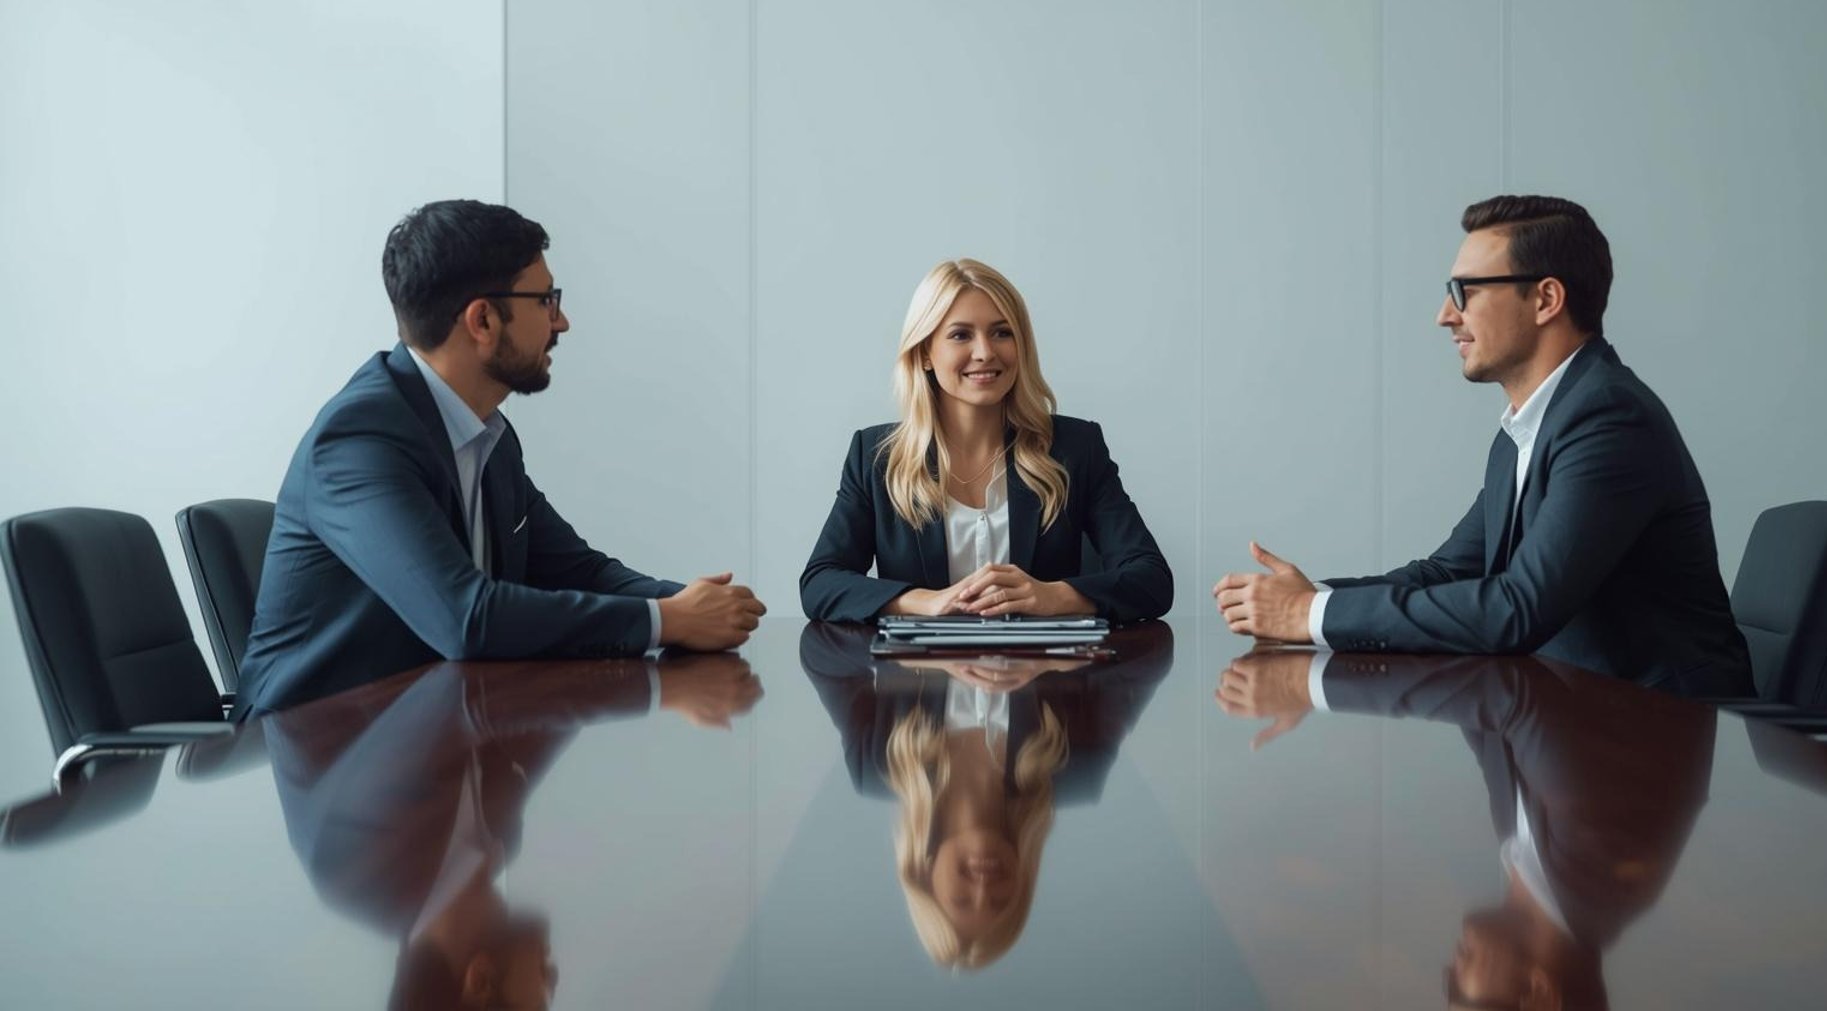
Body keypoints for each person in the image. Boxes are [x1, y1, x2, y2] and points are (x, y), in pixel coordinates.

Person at [237, 200, 764, 716]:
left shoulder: (489, 433)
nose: (562, 324)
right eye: (546, 301)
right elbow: (465, 617)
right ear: (483, 320)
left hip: (428, 733)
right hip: (314, 753)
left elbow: (575, 570)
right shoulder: (359, 441)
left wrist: (694, 605)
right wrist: (666, 620)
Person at [1213, 195, 1751, 698]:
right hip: (1571, 721)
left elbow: (1517, 607)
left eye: (1464, 292)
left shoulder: (1609, 419)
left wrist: (1308, 616)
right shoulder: (1526, 428)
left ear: (1545, 299)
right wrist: (1315, 599)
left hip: (1655, 738)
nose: (1445, 315)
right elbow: (1449, 572)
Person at [1215, 647, 1715, 1011]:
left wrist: (1314, 662)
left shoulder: (1535, 874)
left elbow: (1485, 691)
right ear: (1538, 996)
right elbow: (1506, 695)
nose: (1446, 974)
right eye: (1460, 993)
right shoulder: (1597, 866)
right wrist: (1311, 685)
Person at [265, 654, 761, 1009]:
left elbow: (453, 687)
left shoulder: (363, 859)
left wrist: (656, 668)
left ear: (480, 981)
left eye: (542, 993)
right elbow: (552, 712)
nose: (554, 974)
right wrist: (659, 685)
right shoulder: (493, 845)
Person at [800, 258, 1173, 624]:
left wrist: (1051, 596)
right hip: (919, 683)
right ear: (925, 353)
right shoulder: (876, 457)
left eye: (1002, 332)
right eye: (961, 335)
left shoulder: (1075, 448)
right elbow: (820, 583)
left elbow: (1152, 580)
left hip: (1045, 680)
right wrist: (925, 602)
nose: (985, 352)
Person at [801, 619, 1173, 969]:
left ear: (926, 875)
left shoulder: (876, 767)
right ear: (1022, 889)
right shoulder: (1078, 771)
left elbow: (822, 657)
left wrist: (900, 649)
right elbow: (1150, 656)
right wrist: (1056, 664)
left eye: (961, 900)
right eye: (1000, 903)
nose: (983, 889)